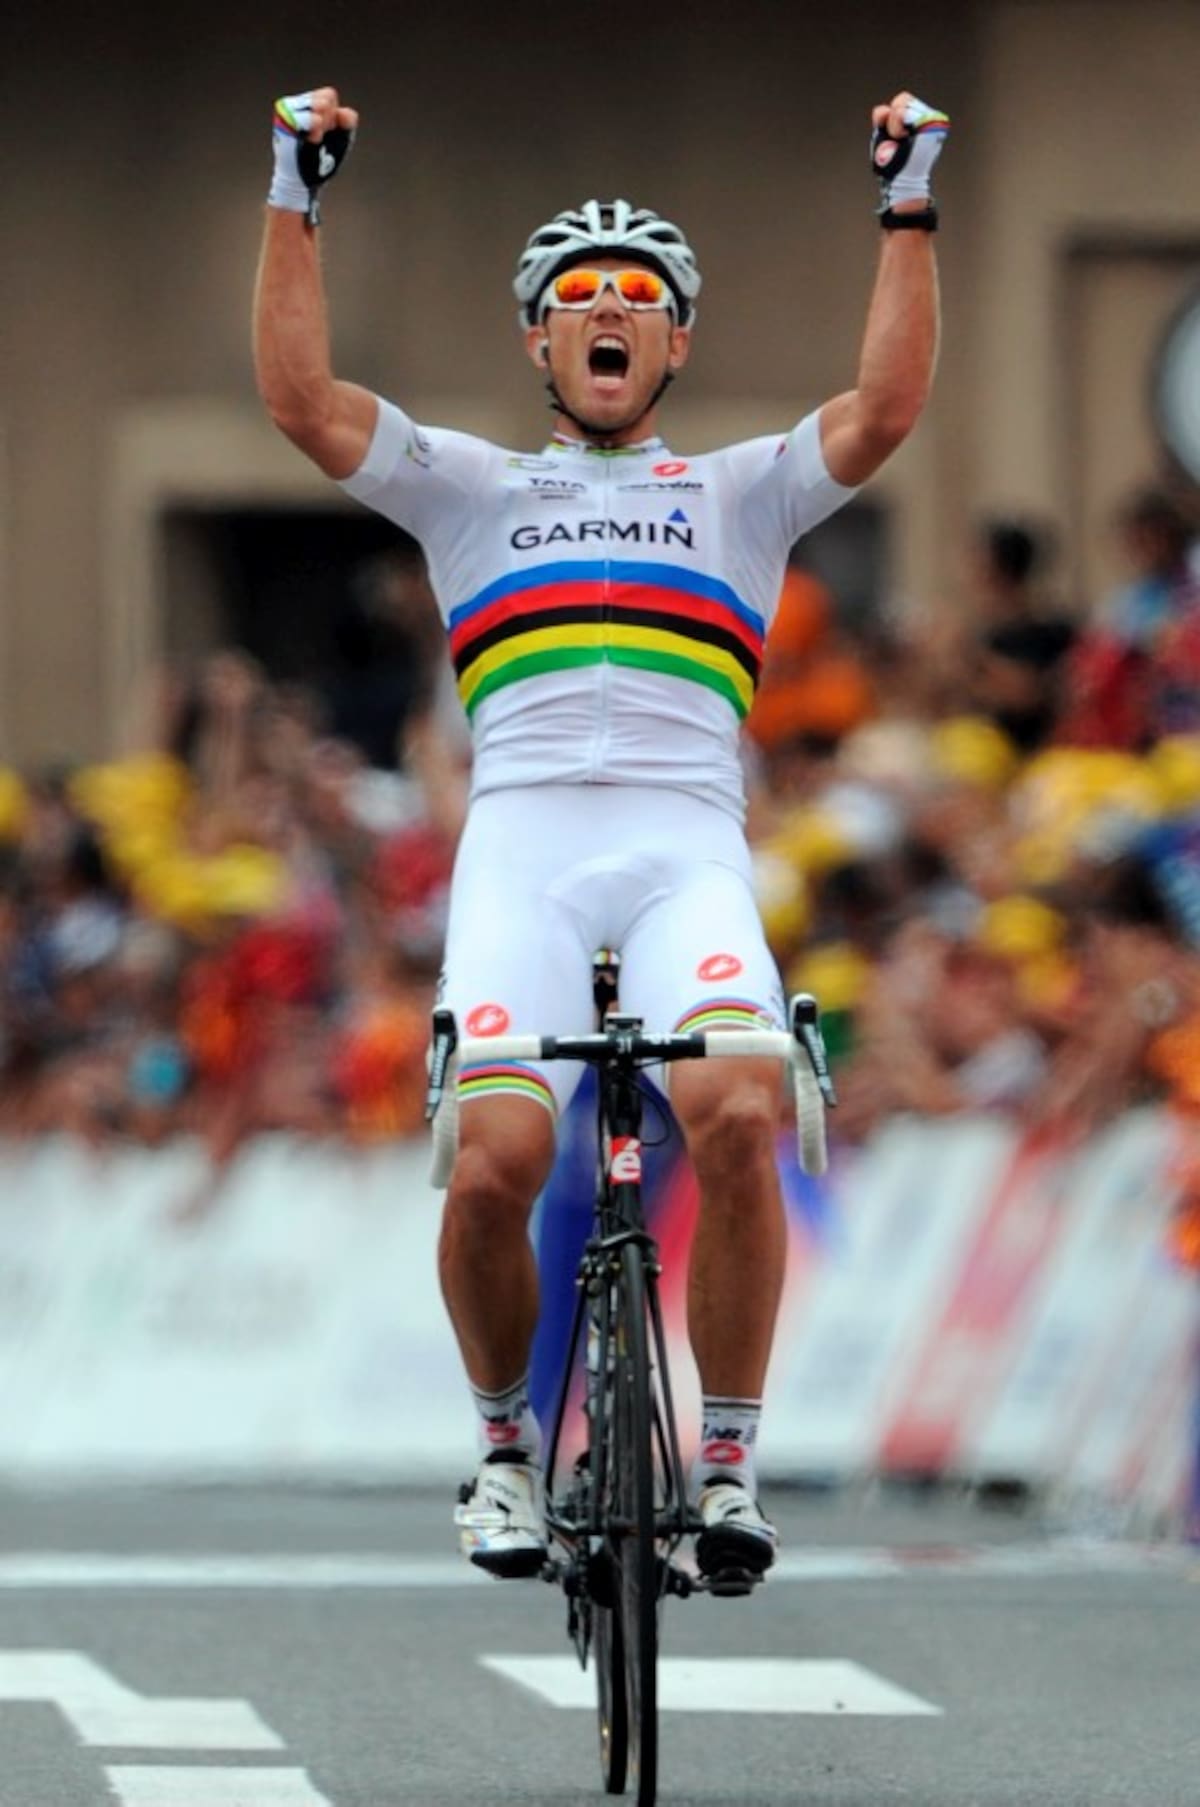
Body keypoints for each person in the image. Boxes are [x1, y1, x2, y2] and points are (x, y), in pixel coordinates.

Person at [253, 85, 948, 1580]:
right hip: (525, 860)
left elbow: (884, 412)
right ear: (540, 340)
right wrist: (291, 193)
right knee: (499, 1157)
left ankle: (729, 1466)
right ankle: (505, 1451)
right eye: (581, 297)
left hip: (688, 851)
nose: (610, 313)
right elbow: (305, 405)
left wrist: (910, 202)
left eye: (642, 298)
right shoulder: (475, 491)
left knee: (745, 1114)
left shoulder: (739, 492)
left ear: (678, 341)